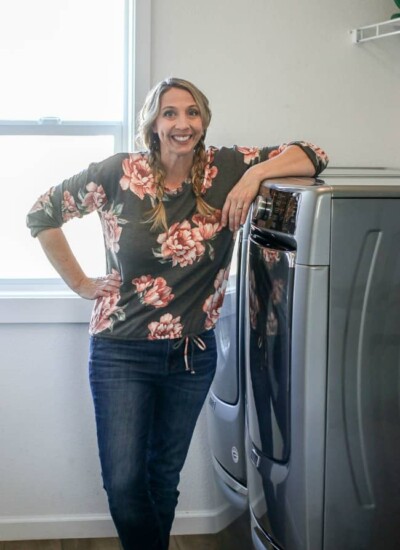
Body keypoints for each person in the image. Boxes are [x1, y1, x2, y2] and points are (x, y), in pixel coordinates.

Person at [26, 77, 328, 550]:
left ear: (203, 120)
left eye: (192, 112)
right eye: (170, 113)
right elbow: (41, 215)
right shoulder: (117, 174)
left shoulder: (226, 167)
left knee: (163, 476)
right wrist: (81, 284)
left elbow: (312, 153)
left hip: (192, 354)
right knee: (125, 483)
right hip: (120, 352)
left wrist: (252, 178)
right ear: (153, 122)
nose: (182, 123)